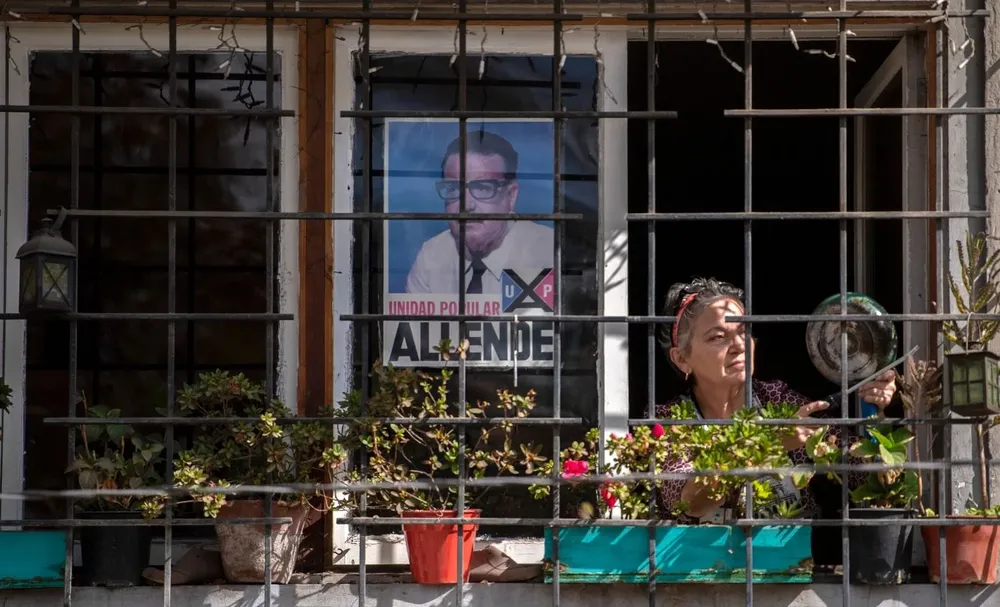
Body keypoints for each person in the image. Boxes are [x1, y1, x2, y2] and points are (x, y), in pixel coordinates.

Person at [650, 277, 899, 522]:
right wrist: (769, 444)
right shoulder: (673, 420)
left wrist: (876, 413)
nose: (738, 345)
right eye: (717, 337)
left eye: (743, 331)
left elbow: (867, 476)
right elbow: (689, 502)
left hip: (791, 560)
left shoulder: (776, 400)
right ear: (682, 358)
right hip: (703, 563)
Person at [405, 130, 553, 294]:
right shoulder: (431, 256)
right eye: (453, 188)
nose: (466, 205)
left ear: (510, 197)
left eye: (482, 188)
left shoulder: (548, 252)